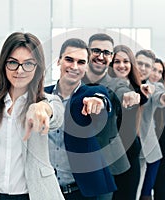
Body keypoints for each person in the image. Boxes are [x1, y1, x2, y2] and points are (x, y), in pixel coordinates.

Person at [0, 32, 65, 200]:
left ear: (38, 67)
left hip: (34, 195)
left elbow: (56, 115)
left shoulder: (49, 101)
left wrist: (42, 108)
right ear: (3, 64)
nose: (20, 70)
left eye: (28, 64)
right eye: (13, 63)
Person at [44, 38, 117, 200]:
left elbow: (103, 99)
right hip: (47, 190)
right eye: (69, 60)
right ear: (59, 61)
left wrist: (98, 103)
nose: (74, 67)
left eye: (81, 62)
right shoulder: (42, 95)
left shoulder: (92, 92)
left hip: (82, 191)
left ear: (86, 66)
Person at [82, 33, 142, 200]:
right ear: (87, 52)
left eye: (106, 53)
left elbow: (122, 91)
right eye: (96, 51)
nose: (101, 56)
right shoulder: (76, 79)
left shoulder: (117, 83)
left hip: (107, 163)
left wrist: (131, 96)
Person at [134, 52, 165, 200]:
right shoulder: (129, 85)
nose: (156, 74)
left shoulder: (156, 87)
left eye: (159, 71)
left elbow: (160, 96)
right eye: (154, 69)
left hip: (149, 150)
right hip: (131, 149)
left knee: (145, 193)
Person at [108, 44, 146, 200]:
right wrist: (128, 96)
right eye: (117, 62)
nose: (122, 65)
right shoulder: (107, 86)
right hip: (110, 154)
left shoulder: (138, 88)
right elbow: (122, 92)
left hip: (131, 151)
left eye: (126, 61)